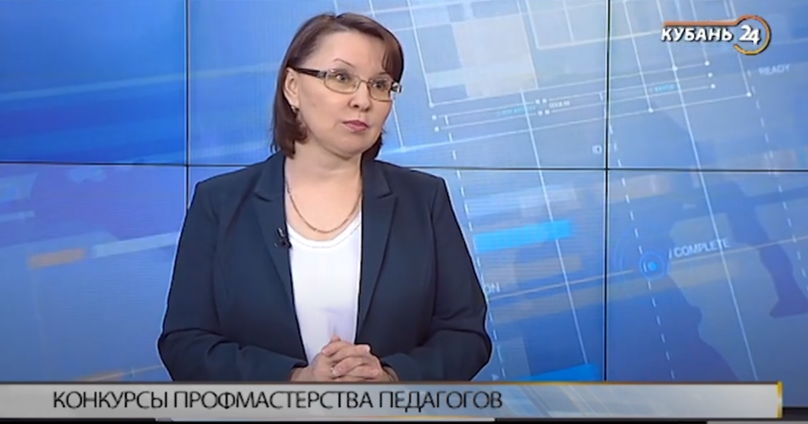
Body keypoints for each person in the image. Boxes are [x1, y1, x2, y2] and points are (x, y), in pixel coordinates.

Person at [157, 12, 492, 382]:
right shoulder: (220, 203)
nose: (363, 100)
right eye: (342, 78)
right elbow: (185, 344)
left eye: (380, 84)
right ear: (292, 87)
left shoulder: (424, 199)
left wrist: (391, 378)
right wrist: (295, 381)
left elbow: (465, 335)